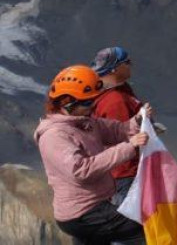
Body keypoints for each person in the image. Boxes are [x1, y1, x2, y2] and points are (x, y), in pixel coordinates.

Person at [36, 65, 152, 245]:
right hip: (84, 213)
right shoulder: (54, 136)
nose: (93, 105)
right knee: (145, 230)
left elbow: (117, 130)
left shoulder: (85, 122)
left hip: (94, 207)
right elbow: (80, 170)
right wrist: (129, 147)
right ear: (68, 103)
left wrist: (137, 120)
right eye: (87, 102)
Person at [89, 47, 142, 205]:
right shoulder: (115, 101)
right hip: (124, 173)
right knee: (130, 216)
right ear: (115, 68)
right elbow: (122, 135)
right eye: (127, 62)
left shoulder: (121, 90)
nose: (131, 65)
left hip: (122, 171)